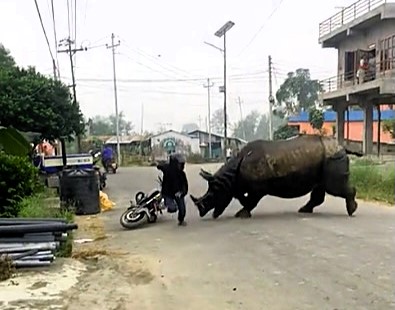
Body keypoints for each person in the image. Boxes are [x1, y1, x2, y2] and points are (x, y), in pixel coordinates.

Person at [157, 153, 188, 226]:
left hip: (178, 193)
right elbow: (159, 166)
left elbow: (185, 185)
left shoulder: (182, 174)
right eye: (179, 164)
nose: (181, 166)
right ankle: (162, 204)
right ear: (174, 163)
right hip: (167, 193)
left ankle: (181, 220)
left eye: (182, 164)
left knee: (182, 209)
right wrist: (159, 164)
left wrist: (182, 192)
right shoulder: (167, 169)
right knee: (172, 208)